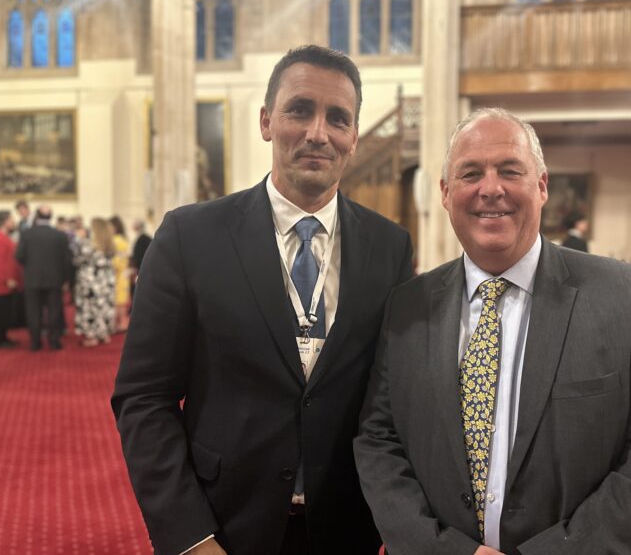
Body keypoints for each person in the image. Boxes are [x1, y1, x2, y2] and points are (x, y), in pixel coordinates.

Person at [112, 45, 413, 555]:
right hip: (224, 527)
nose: (318, 132)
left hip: (345, 530)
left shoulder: (390, 247)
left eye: (337, 118)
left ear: (354, 137)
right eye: (300, 110)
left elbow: (391, 401)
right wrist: (191, 538)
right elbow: (144, 398)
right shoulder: (190, 237)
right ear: (267, 121)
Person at [354, 108, 631, 555]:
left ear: (542, 186)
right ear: (445, 193)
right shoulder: (407, 306)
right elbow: (379, 440)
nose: (490, 188)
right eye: (470, 173)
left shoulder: (627, 298)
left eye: (510, 171)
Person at [15, 205, 71, 351]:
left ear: (37, 216)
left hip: (32, 279)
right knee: (54, 311)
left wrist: (31, 267)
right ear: (51, 216)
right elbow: (67, 260)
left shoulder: (26, 234)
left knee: (33, 312)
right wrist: (66, 279)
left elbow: (19, 256)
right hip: (55, 279)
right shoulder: (60, 235)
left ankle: (35, 343)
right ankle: (54, 342)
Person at [73, 218, 116, 347]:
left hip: (90, 281)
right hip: (106, 280)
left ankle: (92, 336)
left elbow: (77, 259)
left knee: (90, 308)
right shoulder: (109, 244)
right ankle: (104, 334)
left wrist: (78, 238)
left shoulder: (88, 244)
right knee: (104, 306)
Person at [0, 210, 22, 348]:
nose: (14, 222)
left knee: (2, 313)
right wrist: (7, 279)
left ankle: (1, 337)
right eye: (11, 219)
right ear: (4, 222)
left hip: (2, 283)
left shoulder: (1, 237)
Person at [109, 215, 130, 331]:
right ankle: (121, 322)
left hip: (118, 274)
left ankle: (122, 323)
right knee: (120, 299)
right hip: (122, 274)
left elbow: (117, 260)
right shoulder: (122, 239)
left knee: (119, 300)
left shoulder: (116, 240)